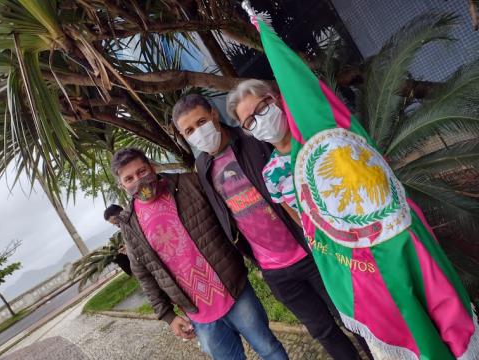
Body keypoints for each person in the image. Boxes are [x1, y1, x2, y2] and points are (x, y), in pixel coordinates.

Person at [226, 78, 479, 359]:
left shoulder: (324, 137)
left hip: (387, 241)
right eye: (249, 121)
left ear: (276, 100)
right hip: (351, 261)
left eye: (262, 108)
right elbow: (303, 222)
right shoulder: (272, 174)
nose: (260, 120)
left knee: (433, 305)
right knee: (401, 323)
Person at [172, 94, 369, 360]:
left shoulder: (253, 138)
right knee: (322, 331)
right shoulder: (203, 166)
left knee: (353, 318)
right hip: (275, 271)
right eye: (189, 130)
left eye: (201, 121)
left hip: (310, 251)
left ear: (215, 115)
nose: (198, 132)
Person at [112, 148, 288, 360]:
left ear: (152, 167)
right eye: (129, 178)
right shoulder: (130, 225)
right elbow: (144, 274)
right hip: (198, 315)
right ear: (122, 185)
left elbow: (231, 220)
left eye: (141, 172)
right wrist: (167, 316)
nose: (138, 181)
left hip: (235, 291)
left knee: (269, 349)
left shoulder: (188, 184)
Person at [103, 204, 132, 276]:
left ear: (121, 213)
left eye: (116, 223)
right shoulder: (126, 229)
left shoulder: (135, 223)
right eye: (114, 224)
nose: (118, 226)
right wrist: (127, 247)